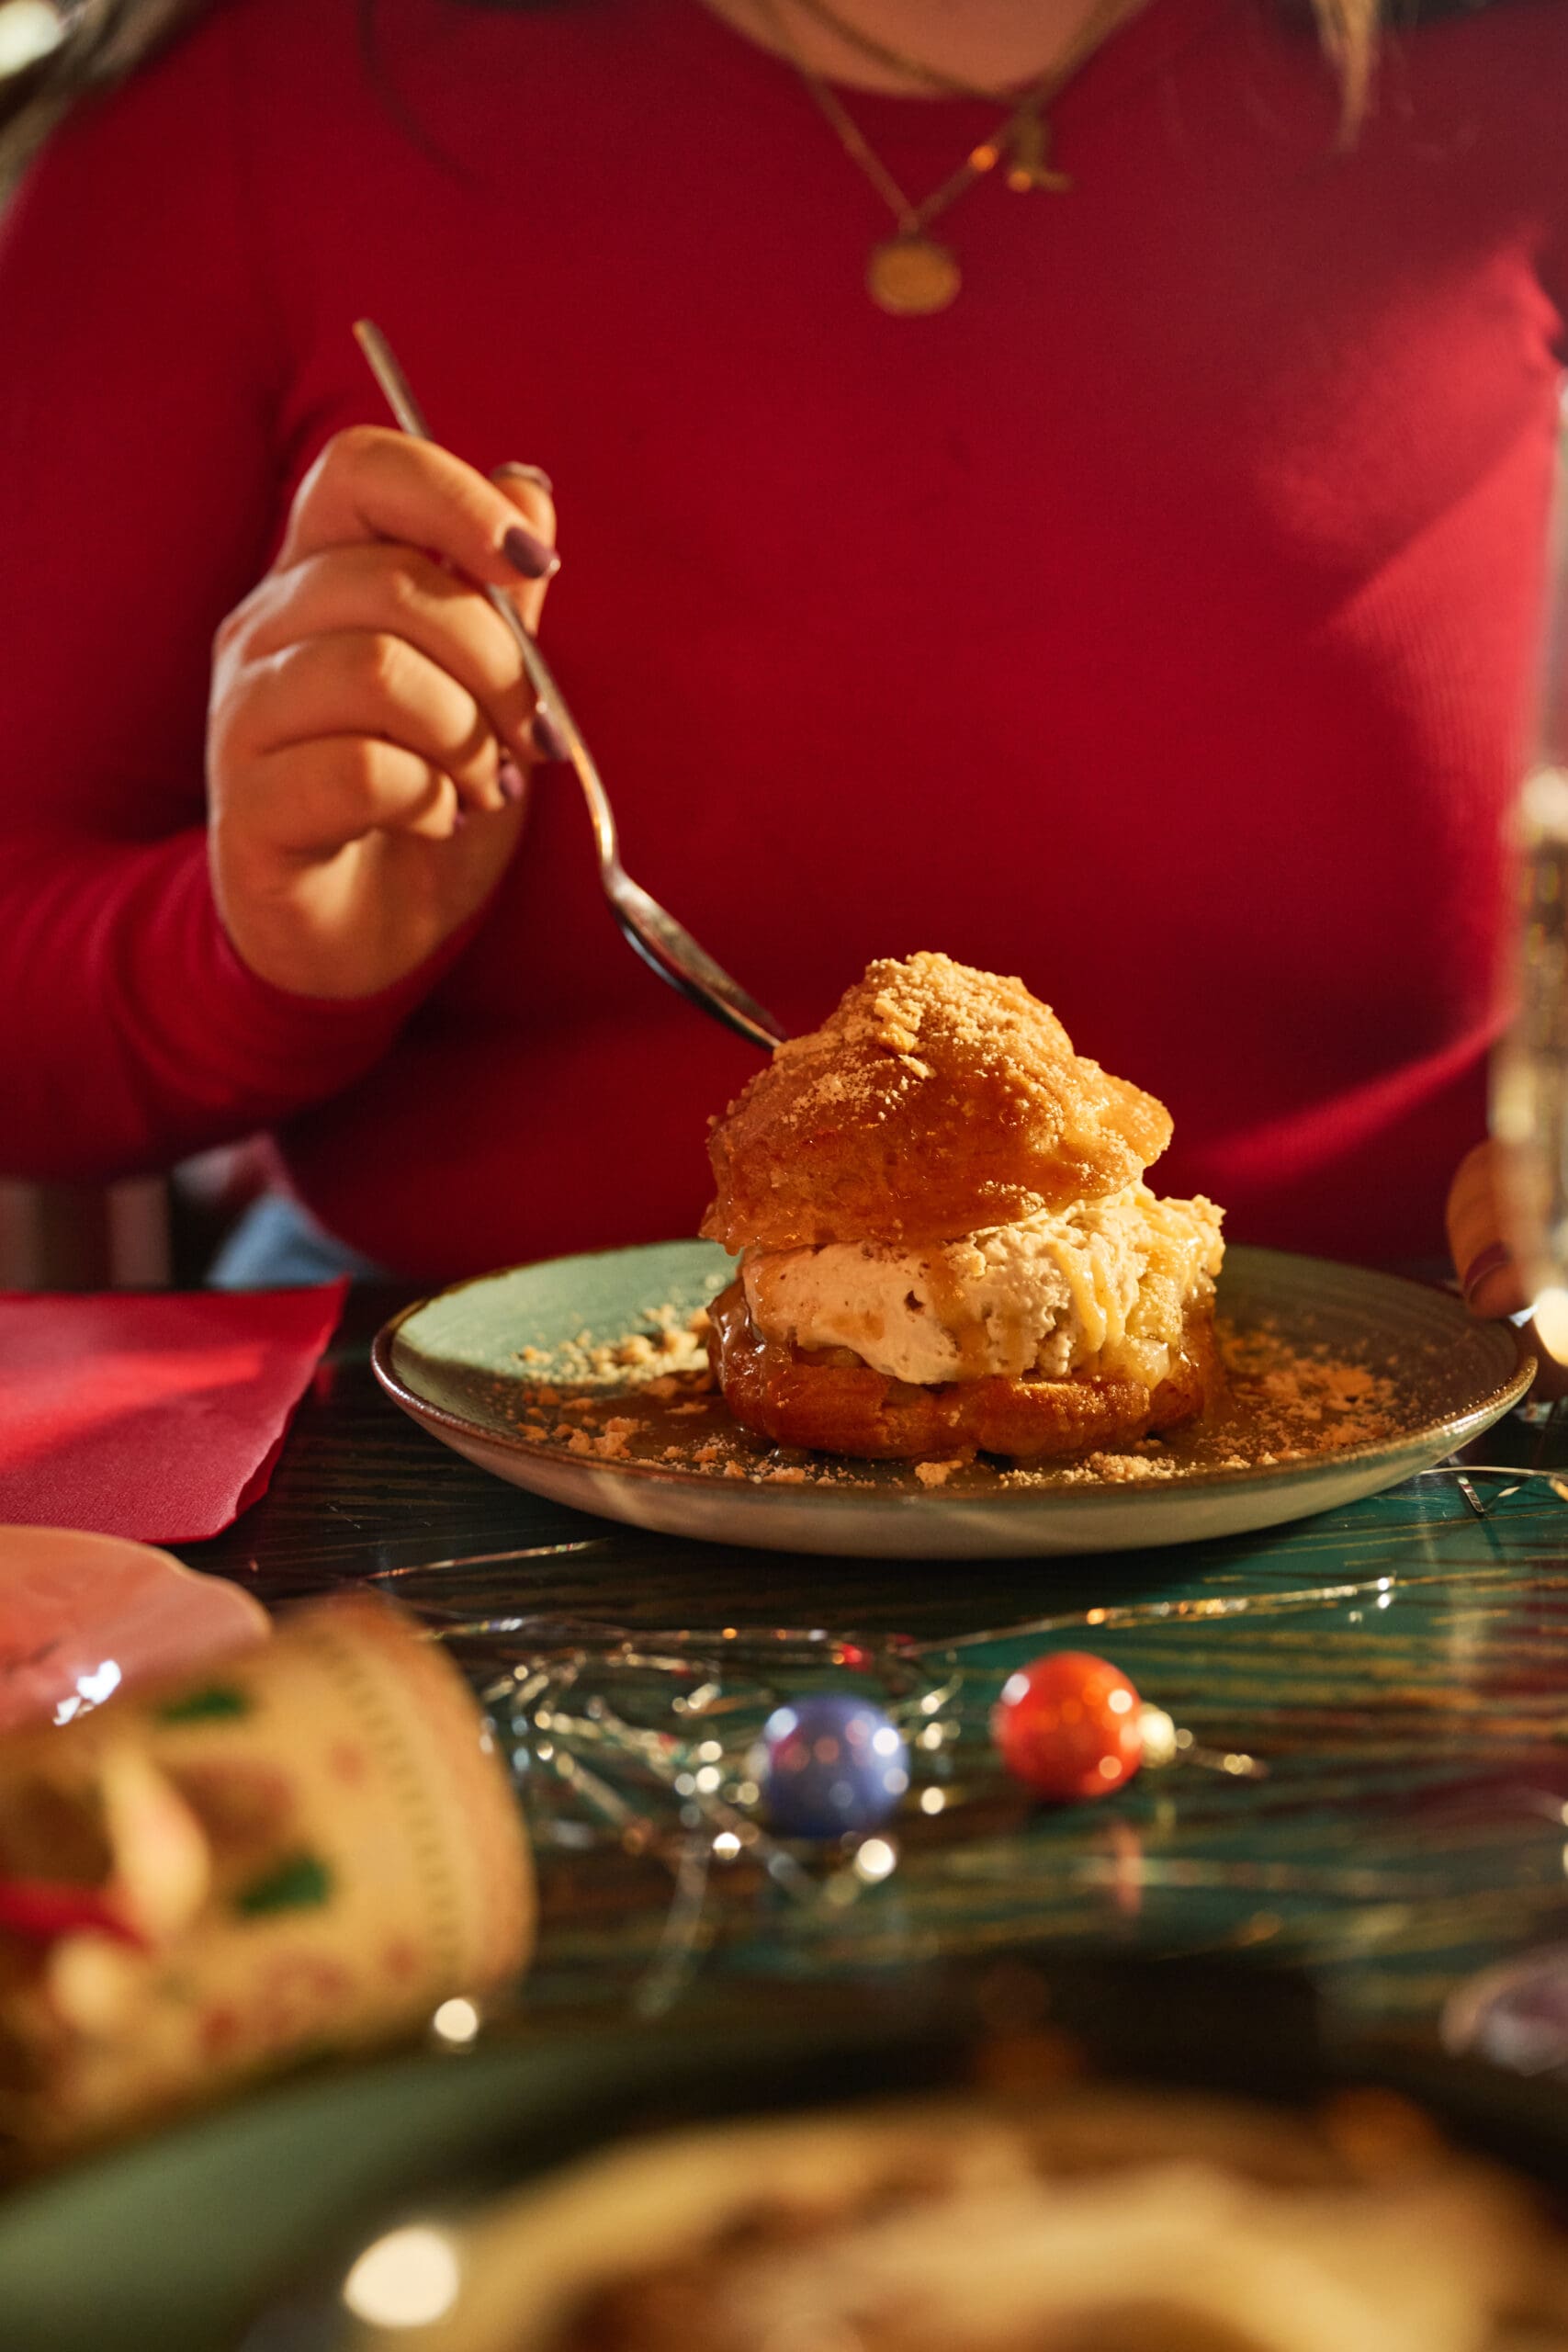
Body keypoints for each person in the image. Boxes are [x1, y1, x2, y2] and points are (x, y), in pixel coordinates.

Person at [0, 0, 1563, 1304]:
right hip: (419, 1425)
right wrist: (251, 959)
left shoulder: (1518, 67)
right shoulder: (257, 89)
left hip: (1427, 1424)